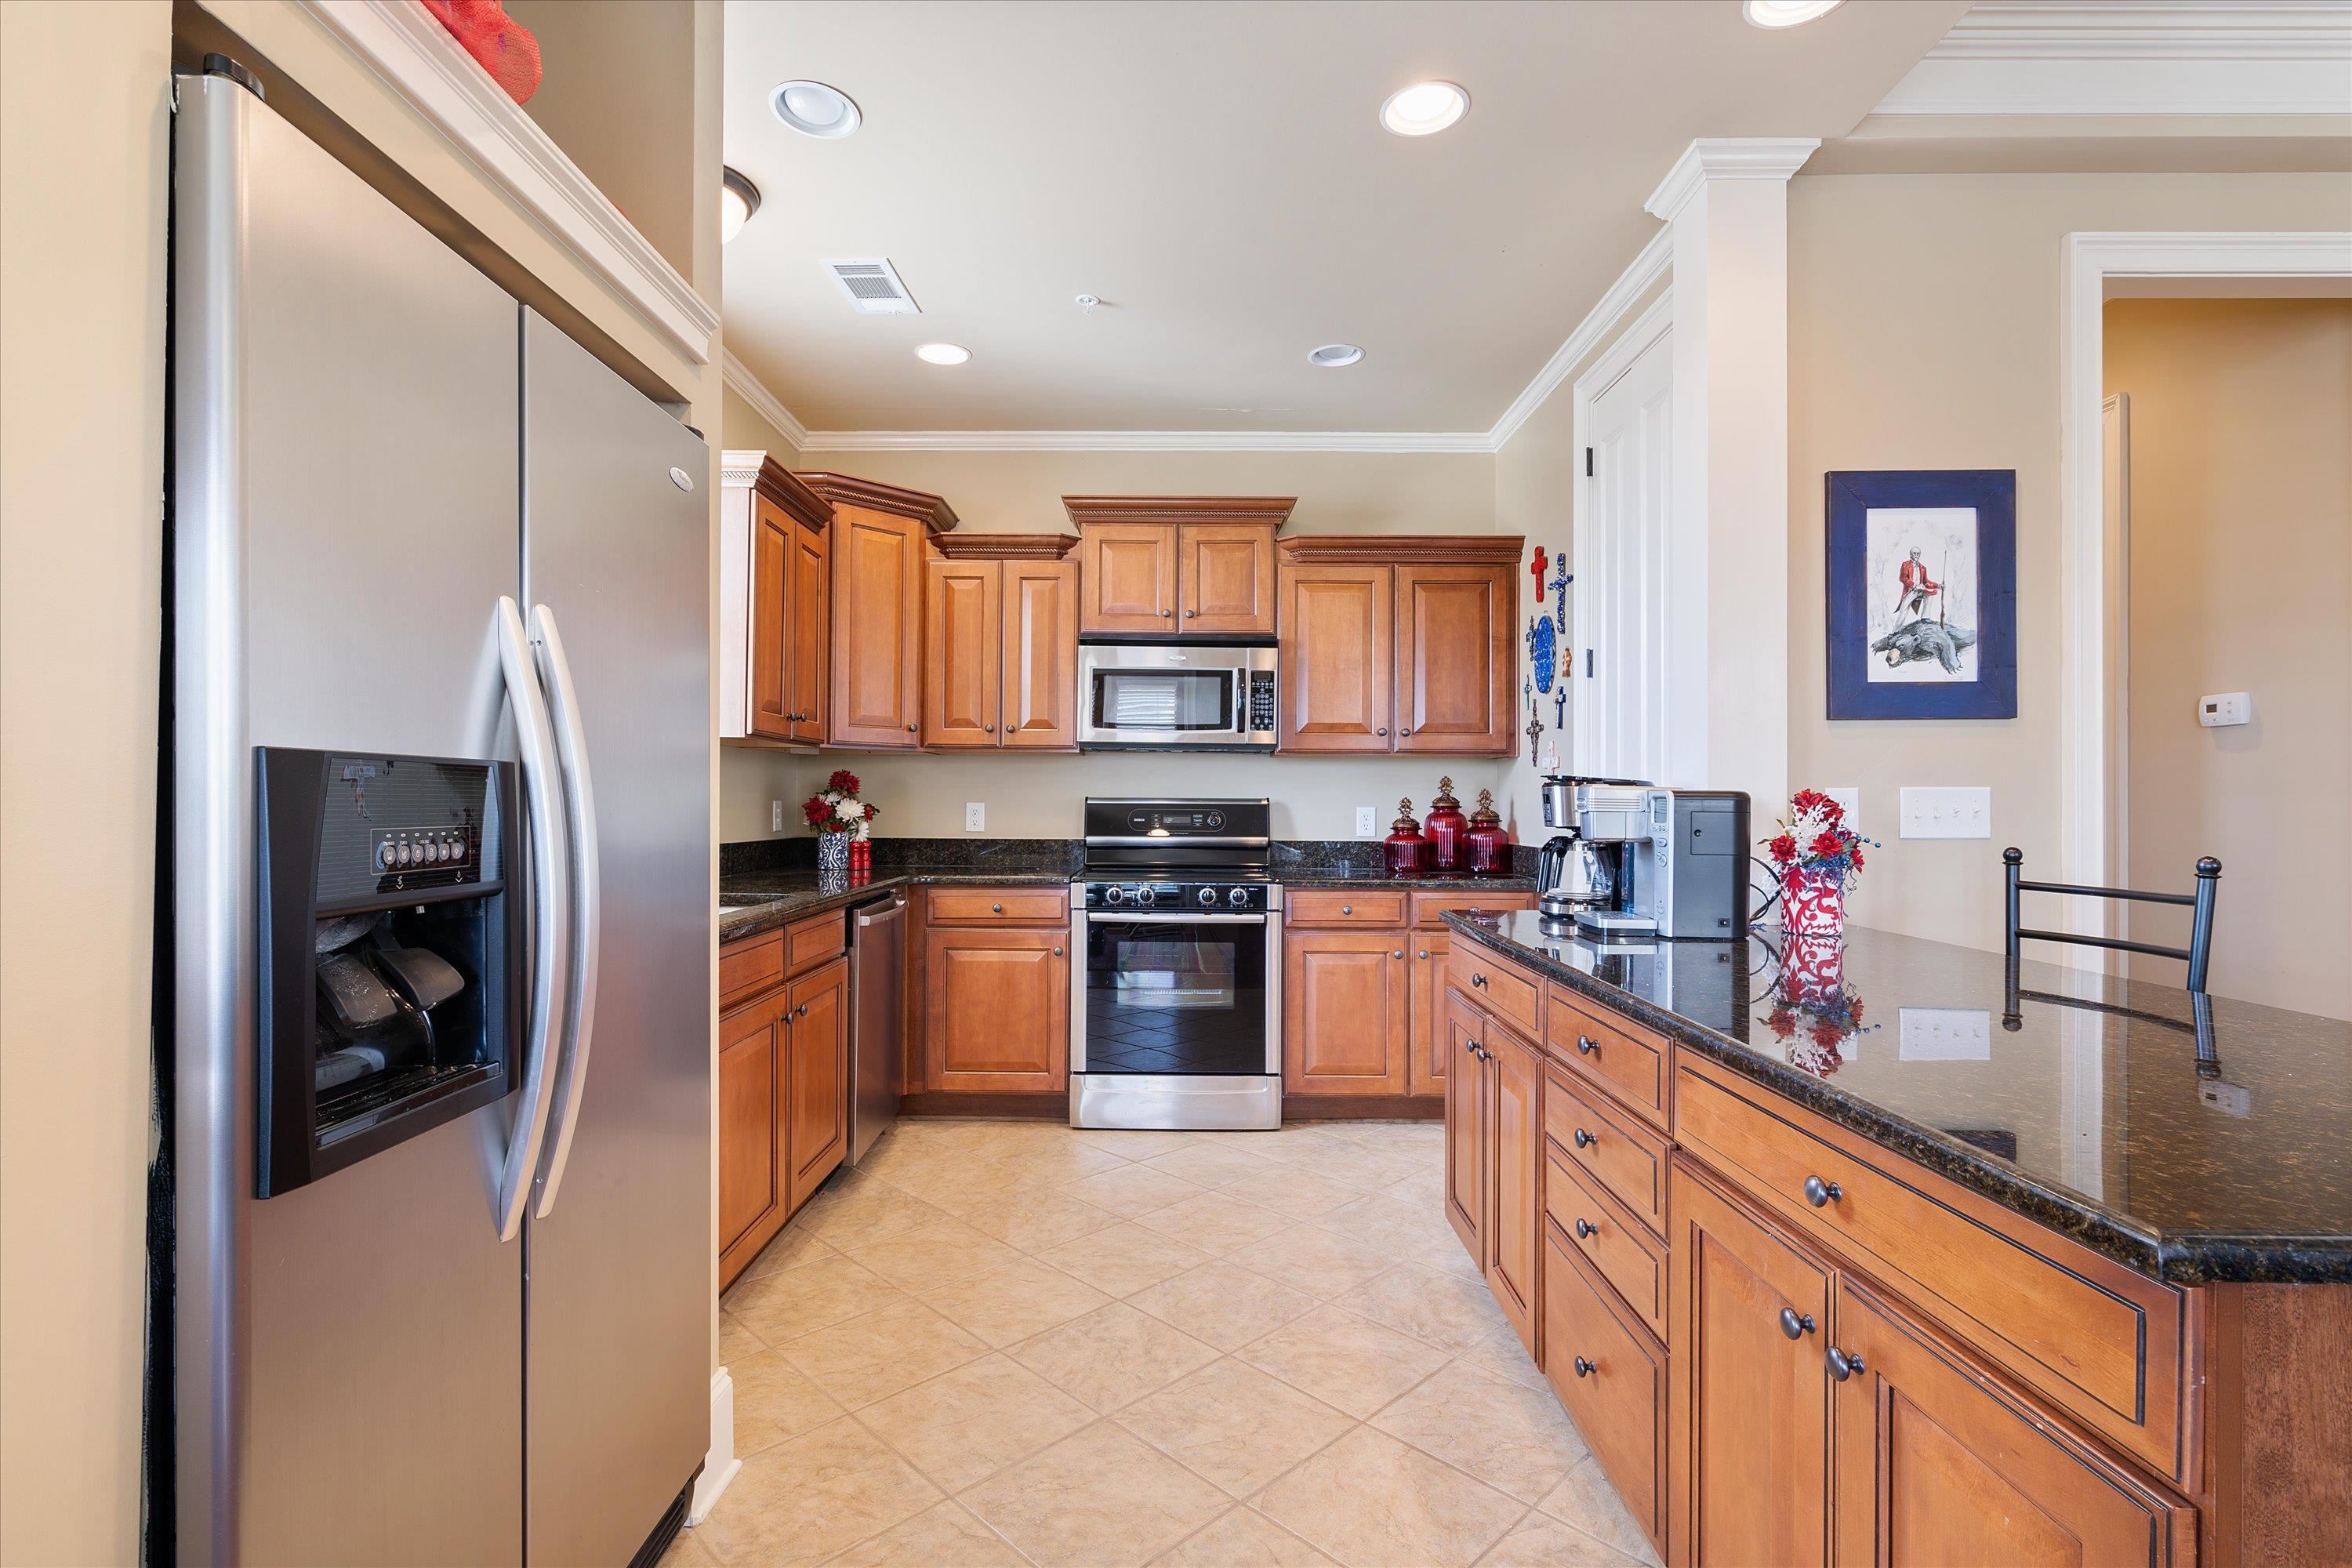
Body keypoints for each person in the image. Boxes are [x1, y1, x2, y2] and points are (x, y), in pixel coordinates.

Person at [1893, 547, 1940, 621]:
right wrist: (1914, 585)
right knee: (1903, 611)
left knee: (1929, 594)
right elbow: (1902, 578)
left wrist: (1938, 586)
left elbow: (1926, 581)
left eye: (1918, 554)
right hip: (1910, 592)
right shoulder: (1905, 564)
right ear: (1911, 554)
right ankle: (1897, 628)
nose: (1916, 555)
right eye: (1914, 553)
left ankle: (1925, 617)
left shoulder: (1923, 568)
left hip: (1920, 591)